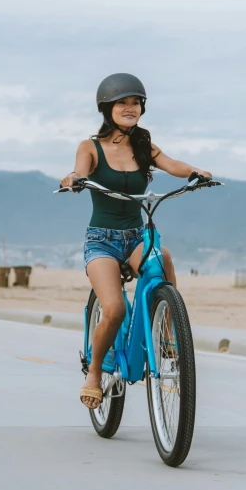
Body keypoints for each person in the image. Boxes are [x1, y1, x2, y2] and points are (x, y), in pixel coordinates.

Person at [59, 73, 212, 409]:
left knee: (163, 258)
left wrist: (194, 173)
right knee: (113, 309)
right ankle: (95, 373)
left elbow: (171, 164)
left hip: (135, 237)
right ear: (107, 108)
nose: (130, 108)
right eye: (122, 103)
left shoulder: (143, 143)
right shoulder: (90, 147)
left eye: (135, 103)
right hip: (102, 241)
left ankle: (169, 334)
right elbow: (80, 173)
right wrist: (73, 180)